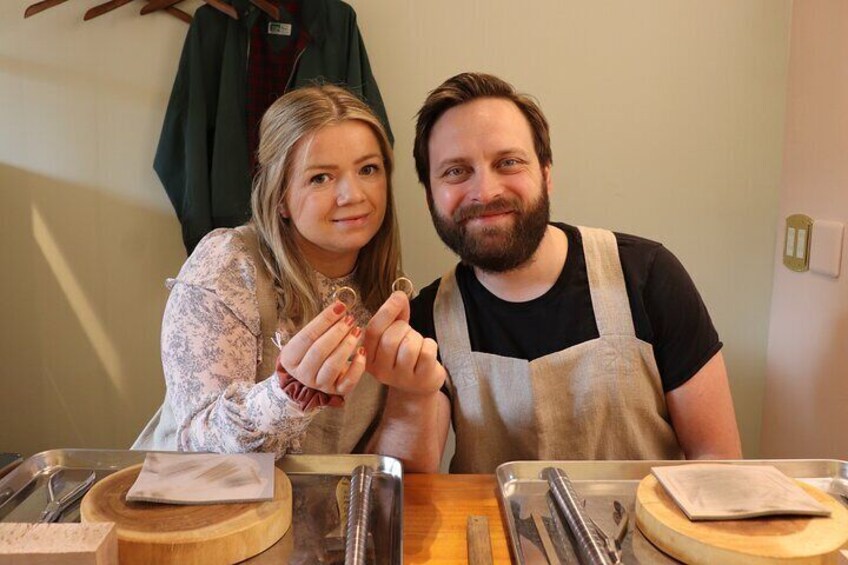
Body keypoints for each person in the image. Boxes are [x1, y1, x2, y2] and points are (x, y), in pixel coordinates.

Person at [408, 72, 743, 473]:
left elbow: (718, 460)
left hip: (643, 533)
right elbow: (415, 487)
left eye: (508, 162)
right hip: (493, 536)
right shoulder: (427, 318)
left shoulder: (648, 276)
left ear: (546, 174)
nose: (487, 191)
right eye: (456, 171)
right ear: (430, 195)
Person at [134, 85, 445, 471]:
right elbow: (194, 443)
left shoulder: (387, 289)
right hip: (191, 512)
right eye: (320, 178)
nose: (353, 194)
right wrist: (288, 396)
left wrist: (413, 395)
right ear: (279, 196)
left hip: (315, 514)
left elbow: (381, 466)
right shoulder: (229, 264)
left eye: (368, 169)